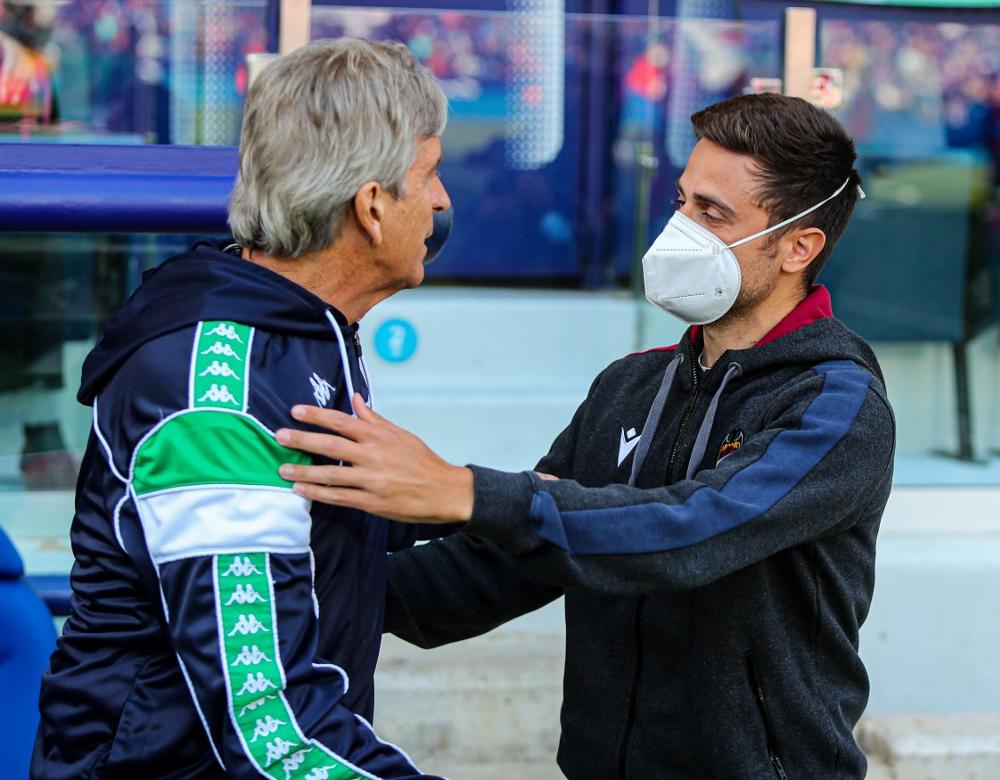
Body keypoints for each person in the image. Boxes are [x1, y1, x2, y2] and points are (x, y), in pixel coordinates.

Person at [279, 93, 896, 779]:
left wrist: (463, 491)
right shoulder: (630, 386)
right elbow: (514, 560)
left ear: (799, 247)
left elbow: (692, 532)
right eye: (682, 200)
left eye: (712, 213)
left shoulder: (835, 404)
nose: (680, 227)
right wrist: (300, 584)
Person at [32, 38, 450, 779]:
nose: (443, 202)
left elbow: (333, 561)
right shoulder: (213, 397)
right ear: (373, 206)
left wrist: (518, 512)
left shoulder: (302, 332)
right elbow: (271, 728)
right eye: (430, 174)